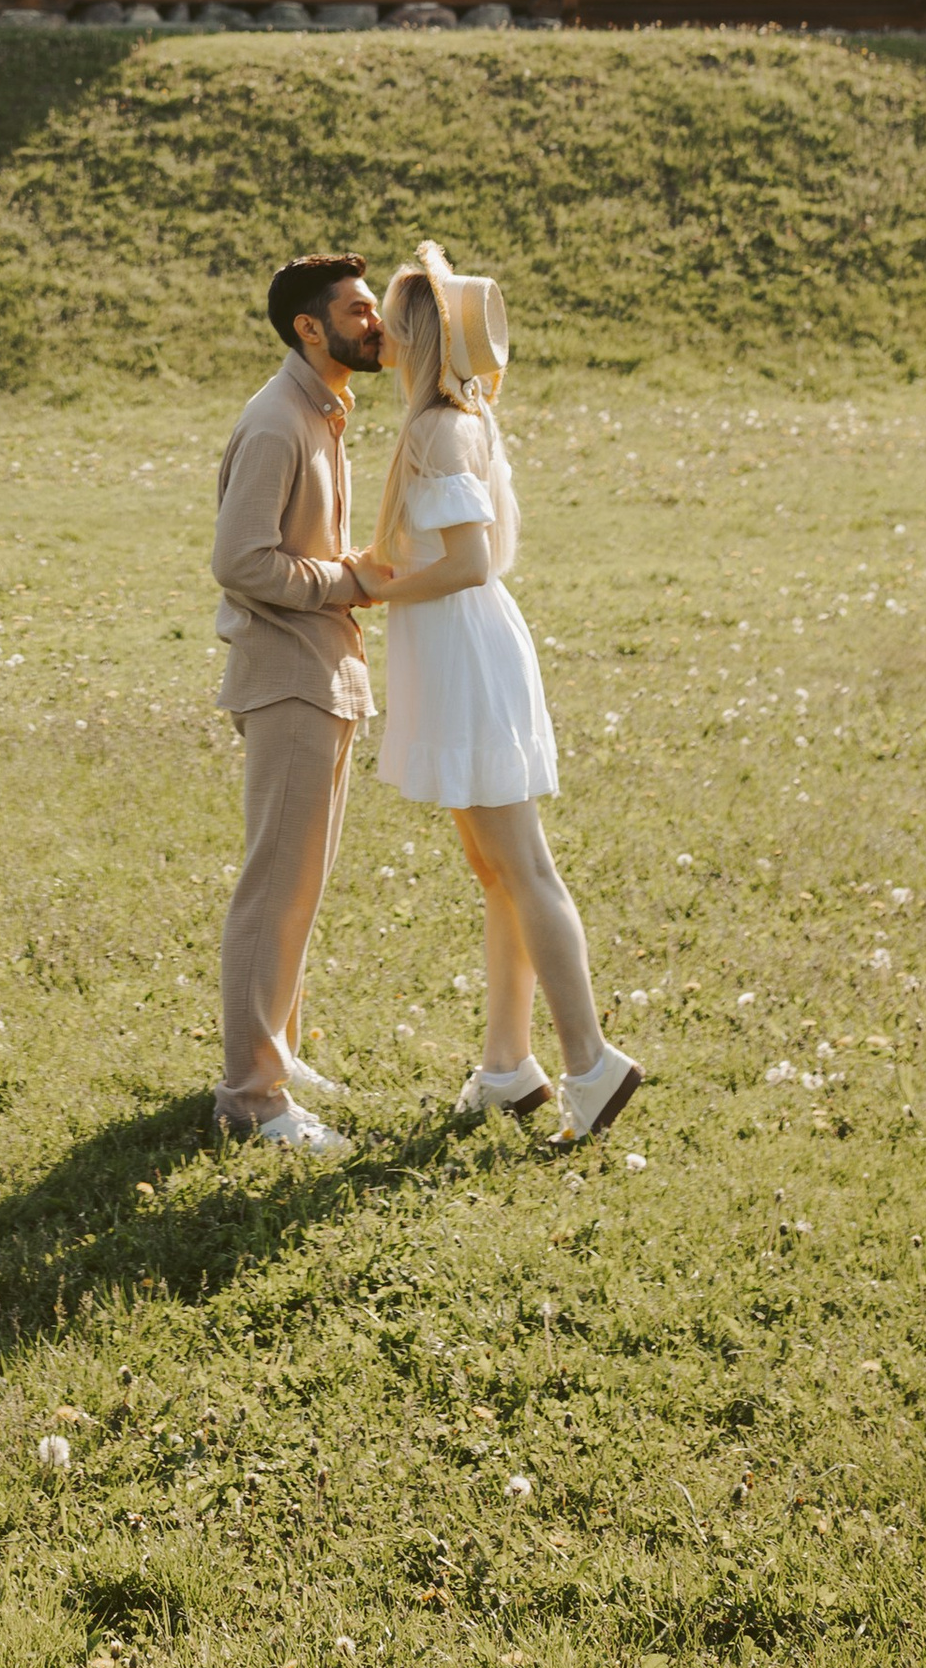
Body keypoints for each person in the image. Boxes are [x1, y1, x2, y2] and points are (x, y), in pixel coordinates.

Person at [356, 244, 641, 1150]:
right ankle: (508, 1066)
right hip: (459, 652)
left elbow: (469, 562)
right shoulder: (459, 417)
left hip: (466, 655)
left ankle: (591, 1064)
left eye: (393, 320)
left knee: (524, 869)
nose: (381, 333)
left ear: (420, 334)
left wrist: (368, 590)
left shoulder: (440, 429)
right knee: (497, 873)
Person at [208, 252, 385, 1153]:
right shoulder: (279, 421)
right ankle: (252, 1098)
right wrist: (349, 580)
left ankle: (274, 1051)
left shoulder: (323, 412)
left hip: (322, 671)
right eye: (358, 311)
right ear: (309, 328)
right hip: (287, 676)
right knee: (274, 888)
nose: (376, 323)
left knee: (301, 884)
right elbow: (240, 560)